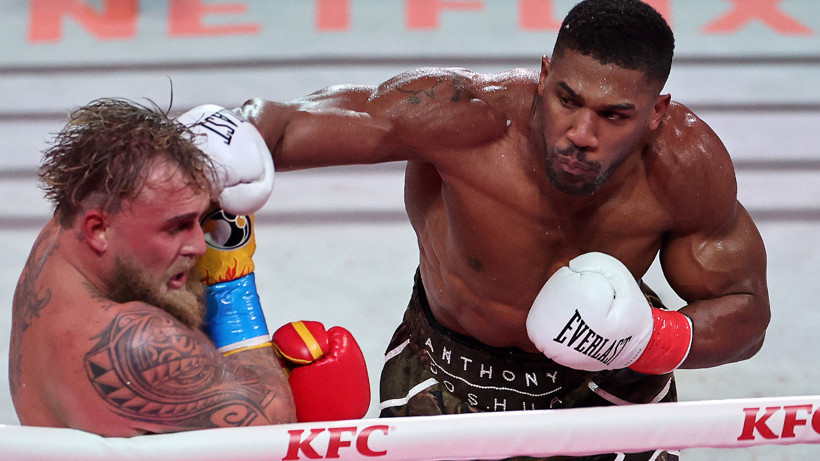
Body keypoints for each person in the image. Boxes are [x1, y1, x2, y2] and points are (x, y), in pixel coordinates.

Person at [205, 0, 771, 458]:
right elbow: (285, 126)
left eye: (613, 115)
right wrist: (224, 141)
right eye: (567, 99)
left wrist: (650, 340)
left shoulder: (684, 168)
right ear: (545, 76)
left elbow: (745, 312)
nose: (581, 132)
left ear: (656, 113)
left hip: (609, 380)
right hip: (449, 374)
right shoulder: (465, 118)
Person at [9, 98, 369, 436]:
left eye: (199, 220)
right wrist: (232, 289)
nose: (200, 245)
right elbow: (270, 424)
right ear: (98, 229)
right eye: (177, 226)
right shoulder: (141, 344)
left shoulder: (62, 236)